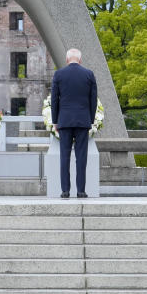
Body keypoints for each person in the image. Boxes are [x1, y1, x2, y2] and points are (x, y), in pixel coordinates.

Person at [50, 48, 98, 199]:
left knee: (64, 156)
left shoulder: (59, 74)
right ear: (80, 59)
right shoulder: (89, 74)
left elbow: (54, 99)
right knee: (81, 157)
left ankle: (65, 190)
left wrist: (55, 121)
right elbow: (93, 99)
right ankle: (81, 191)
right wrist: (90, 119)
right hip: (82, 120)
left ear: (66, 59)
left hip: (64, 120)